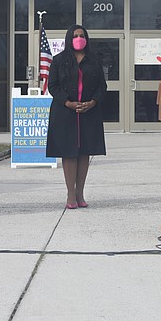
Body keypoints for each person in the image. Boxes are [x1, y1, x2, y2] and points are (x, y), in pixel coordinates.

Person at [46, 24, 107, 209]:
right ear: (69, 39)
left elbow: (102, 87)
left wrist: (93, 102)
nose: (79, 38)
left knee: (84, 153)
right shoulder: (58, 60)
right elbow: (52, 86)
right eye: (75, 35)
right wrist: (68, 102)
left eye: (82, 35)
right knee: (69, 153)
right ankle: (70, 195)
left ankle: (80, 193)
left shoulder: (94, 60)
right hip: (65, 113)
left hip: (89, 113)